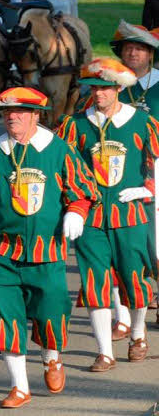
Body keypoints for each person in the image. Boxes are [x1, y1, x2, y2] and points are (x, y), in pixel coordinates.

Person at [0, 87, 98, 408]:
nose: (11, 117)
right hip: (3, 252)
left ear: (36, 115)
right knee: (4, 315)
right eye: (7, 113)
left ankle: (51, 358)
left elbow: (83, 188)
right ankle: (19, 386)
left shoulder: (59, 150)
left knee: (50, 314)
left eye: (20, 111)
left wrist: (76, 211)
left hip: (47, 253)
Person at [56, 59, 156, 372]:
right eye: (93, 88)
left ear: (118, 88)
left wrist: (148, 189)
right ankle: (104, 353)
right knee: (93, 283)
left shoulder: (142, 122)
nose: (97, 94)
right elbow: (60, 166)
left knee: (135, 280)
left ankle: (138, 335)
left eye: (104, 88)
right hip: (91, 219)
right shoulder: (75, 124)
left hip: (131, 215)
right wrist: (71, 208)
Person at [110, 21, 159, 113]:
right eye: (128, 48)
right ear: (121, 53)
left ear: (151, 54)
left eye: (139, 49)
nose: (132, 53)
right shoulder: (108, 81)